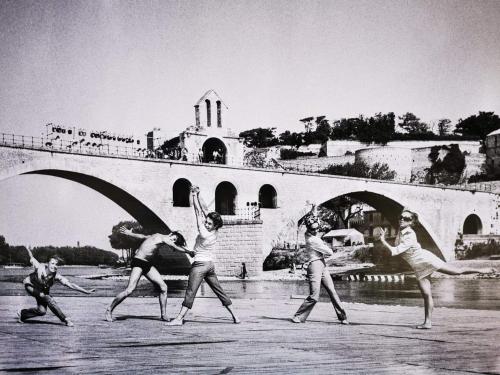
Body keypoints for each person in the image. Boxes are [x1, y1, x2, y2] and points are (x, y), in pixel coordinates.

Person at [378, 208, 496, 329]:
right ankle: (427, 323)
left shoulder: (410, 235)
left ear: (411, 222)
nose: (402, 220)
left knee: (456, 272)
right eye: (401, 217)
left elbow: (395, 251)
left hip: (426, 260)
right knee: (426, 294)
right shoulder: (401, 230)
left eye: (406, 218)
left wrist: (383, 240)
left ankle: (482, 270)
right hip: (418, 266)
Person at [168, 186, 240, 325]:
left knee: (190, 291)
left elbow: (197, 211)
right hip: (209, 266)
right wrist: (199, 195)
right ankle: (235, 317)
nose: (206, 224)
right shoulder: (215, 232)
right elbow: (205, 210)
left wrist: (193, 196)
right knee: (219, 291)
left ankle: (179, 319)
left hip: (200, 265)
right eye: (206, 222)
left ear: (214, 226)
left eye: (209, 224)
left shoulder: (203, 232)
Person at [105, 227, 189, 322]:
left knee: (163, 287)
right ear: (170, 234)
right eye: (173, 238)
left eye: (174, 240)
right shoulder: (164, 238)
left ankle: (163, 315)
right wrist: (188, 251)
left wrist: (130, 233)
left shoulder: (156, 236)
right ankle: (109, 309)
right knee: (130, 290)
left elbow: (142, 236)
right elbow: (173, 246)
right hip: (138, 262)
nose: (172, 241)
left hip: (147, 264)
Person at [292, 205, 349, 324]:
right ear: (309, 229)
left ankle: (343, 317)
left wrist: (314, 209)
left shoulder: (308, 233)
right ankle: (298, 316)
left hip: (322, 264)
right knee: (314, 296)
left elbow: (313, 219)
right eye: (314, 229)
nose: (316, 230)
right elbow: (330, 252)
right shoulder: (314, 240)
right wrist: (324, 249)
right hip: (314, 266)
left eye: (317, 228)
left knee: (332, 291)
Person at [18, 249, 94, 326]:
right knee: (47, 298)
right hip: (30, 285)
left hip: (42, 290)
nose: (54, 266)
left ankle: (23, 314)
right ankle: (65, 319)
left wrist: (86, 291)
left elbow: (71, 284)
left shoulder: (56, 276)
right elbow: (31, 257)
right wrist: (27, 248)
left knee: (42, 311)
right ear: (48, 264)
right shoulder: (39, 267)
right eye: (52, 263)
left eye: (56, 264)